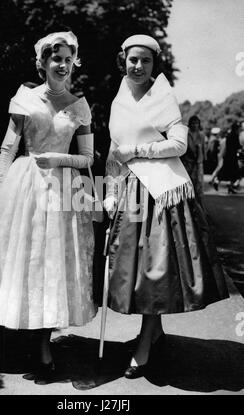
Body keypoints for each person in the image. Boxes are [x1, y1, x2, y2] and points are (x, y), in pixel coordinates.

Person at [0, 31, 97, 383]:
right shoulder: (24, 99)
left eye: (67, 58)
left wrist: (56, 159)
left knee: (52, 266)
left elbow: (88, 159)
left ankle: (44, 350)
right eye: (55, 58)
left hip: (63, 193)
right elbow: (7, 150)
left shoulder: (80, 106)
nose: (61, 65)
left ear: (73, 62)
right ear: (42, 62)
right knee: (23, 262)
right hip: (24, 190)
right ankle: (15, 340)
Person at [104, 34, 229, 379]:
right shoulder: (119, 98)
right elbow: (115, 150)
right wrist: (111, 189)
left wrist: (138, 151)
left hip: (162, 192)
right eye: (133, 60)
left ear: (153, 63)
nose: (138, 66)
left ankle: (144, 345)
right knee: (137, 271)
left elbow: (178, 143)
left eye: (145, 60)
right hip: (131, 192)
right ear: (123, 59)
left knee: (153, 271)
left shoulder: (163, 95)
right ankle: (153, 332)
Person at [209, 122, 241, 193]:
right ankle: (228, 185)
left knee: (226, 172)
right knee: (234, 173)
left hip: (227, 157)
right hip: (232, 157)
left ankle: (222, 184)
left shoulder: (228, 136)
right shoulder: (235, 136)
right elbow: (237, 146)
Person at [181, 115, 205, 204]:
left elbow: (203, 148)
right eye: (193, 123)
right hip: (187, 161)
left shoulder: (201, 135)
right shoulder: (186, 134)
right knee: (188, 182)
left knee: (198, 184)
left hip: (198, 162)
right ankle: (188, 203)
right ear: (190, 124)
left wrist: (203, 160)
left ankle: (197, 204)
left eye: (197, 123)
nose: (195, 125)